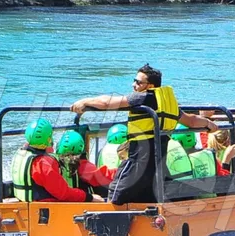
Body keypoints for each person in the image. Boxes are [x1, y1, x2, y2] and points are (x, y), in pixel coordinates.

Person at [70, 64, 218, 204]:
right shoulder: (165, 103)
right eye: (134, 81)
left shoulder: (143, 97)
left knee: (114, 197)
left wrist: (84, 101)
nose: (133, 85)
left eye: (138, 82)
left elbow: (107, 102)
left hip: (136, 165)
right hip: (157, 170)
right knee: (146, 205)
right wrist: (208, 124)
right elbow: (191, 121)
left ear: (150, 86)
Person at [11, 119, 92, 202]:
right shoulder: (43, 163)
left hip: (24, 203)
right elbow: (63, 193)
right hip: (46, 207)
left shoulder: (20, 154)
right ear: (48, 139)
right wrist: (88, 197)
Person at [55, 130, 113, 199]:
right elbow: (102, 177)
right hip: (81, 203)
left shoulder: (55, 162)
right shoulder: (83, 165)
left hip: (60, 201)